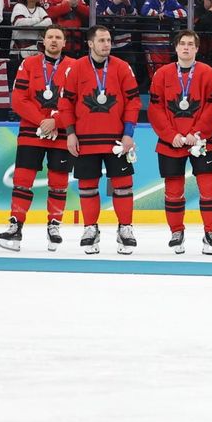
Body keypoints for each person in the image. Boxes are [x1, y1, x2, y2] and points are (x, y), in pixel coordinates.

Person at [57, 24, 142, 255]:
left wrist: (128, 133)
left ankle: (125, 228)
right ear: (90, 43)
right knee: (87, 187)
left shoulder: (123, 67)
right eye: (102, 40)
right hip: (85, 138)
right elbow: (65, 104)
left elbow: (134, 102)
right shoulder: (75, 69)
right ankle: (90, 228)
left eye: (109, 40)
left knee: (123, 186)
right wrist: (70, 132)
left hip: (116, 139)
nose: (107, 44)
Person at [149, 29, 212, 255]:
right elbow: (155, 108)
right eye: (182, 43)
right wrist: (170, 134)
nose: (185, 47)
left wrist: (198, 132)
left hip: (201, 142)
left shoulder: (208, 73)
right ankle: (176, 232)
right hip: (170, 142)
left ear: (196, 48)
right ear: (175, 48)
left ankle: (211, 234)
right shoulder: (161, 74)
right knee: (173, 191)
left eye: (190, 44)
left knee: (209, 189)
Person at [0, 25, 72, 251]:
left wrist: (56, 122)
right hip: (32, 131)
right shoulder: (28, 64)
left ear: (64, 43)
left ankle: (54, 225)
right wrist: (42, 121)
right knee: (22, 178)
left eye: (58, 37)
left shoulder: (74, 67)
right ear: (43, 41)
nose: (53, 40)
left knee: (59, 181)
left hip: (60, 133)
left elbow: (77, 102)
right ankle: (15, 226)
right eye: (50, 36)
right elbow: (18, 99)